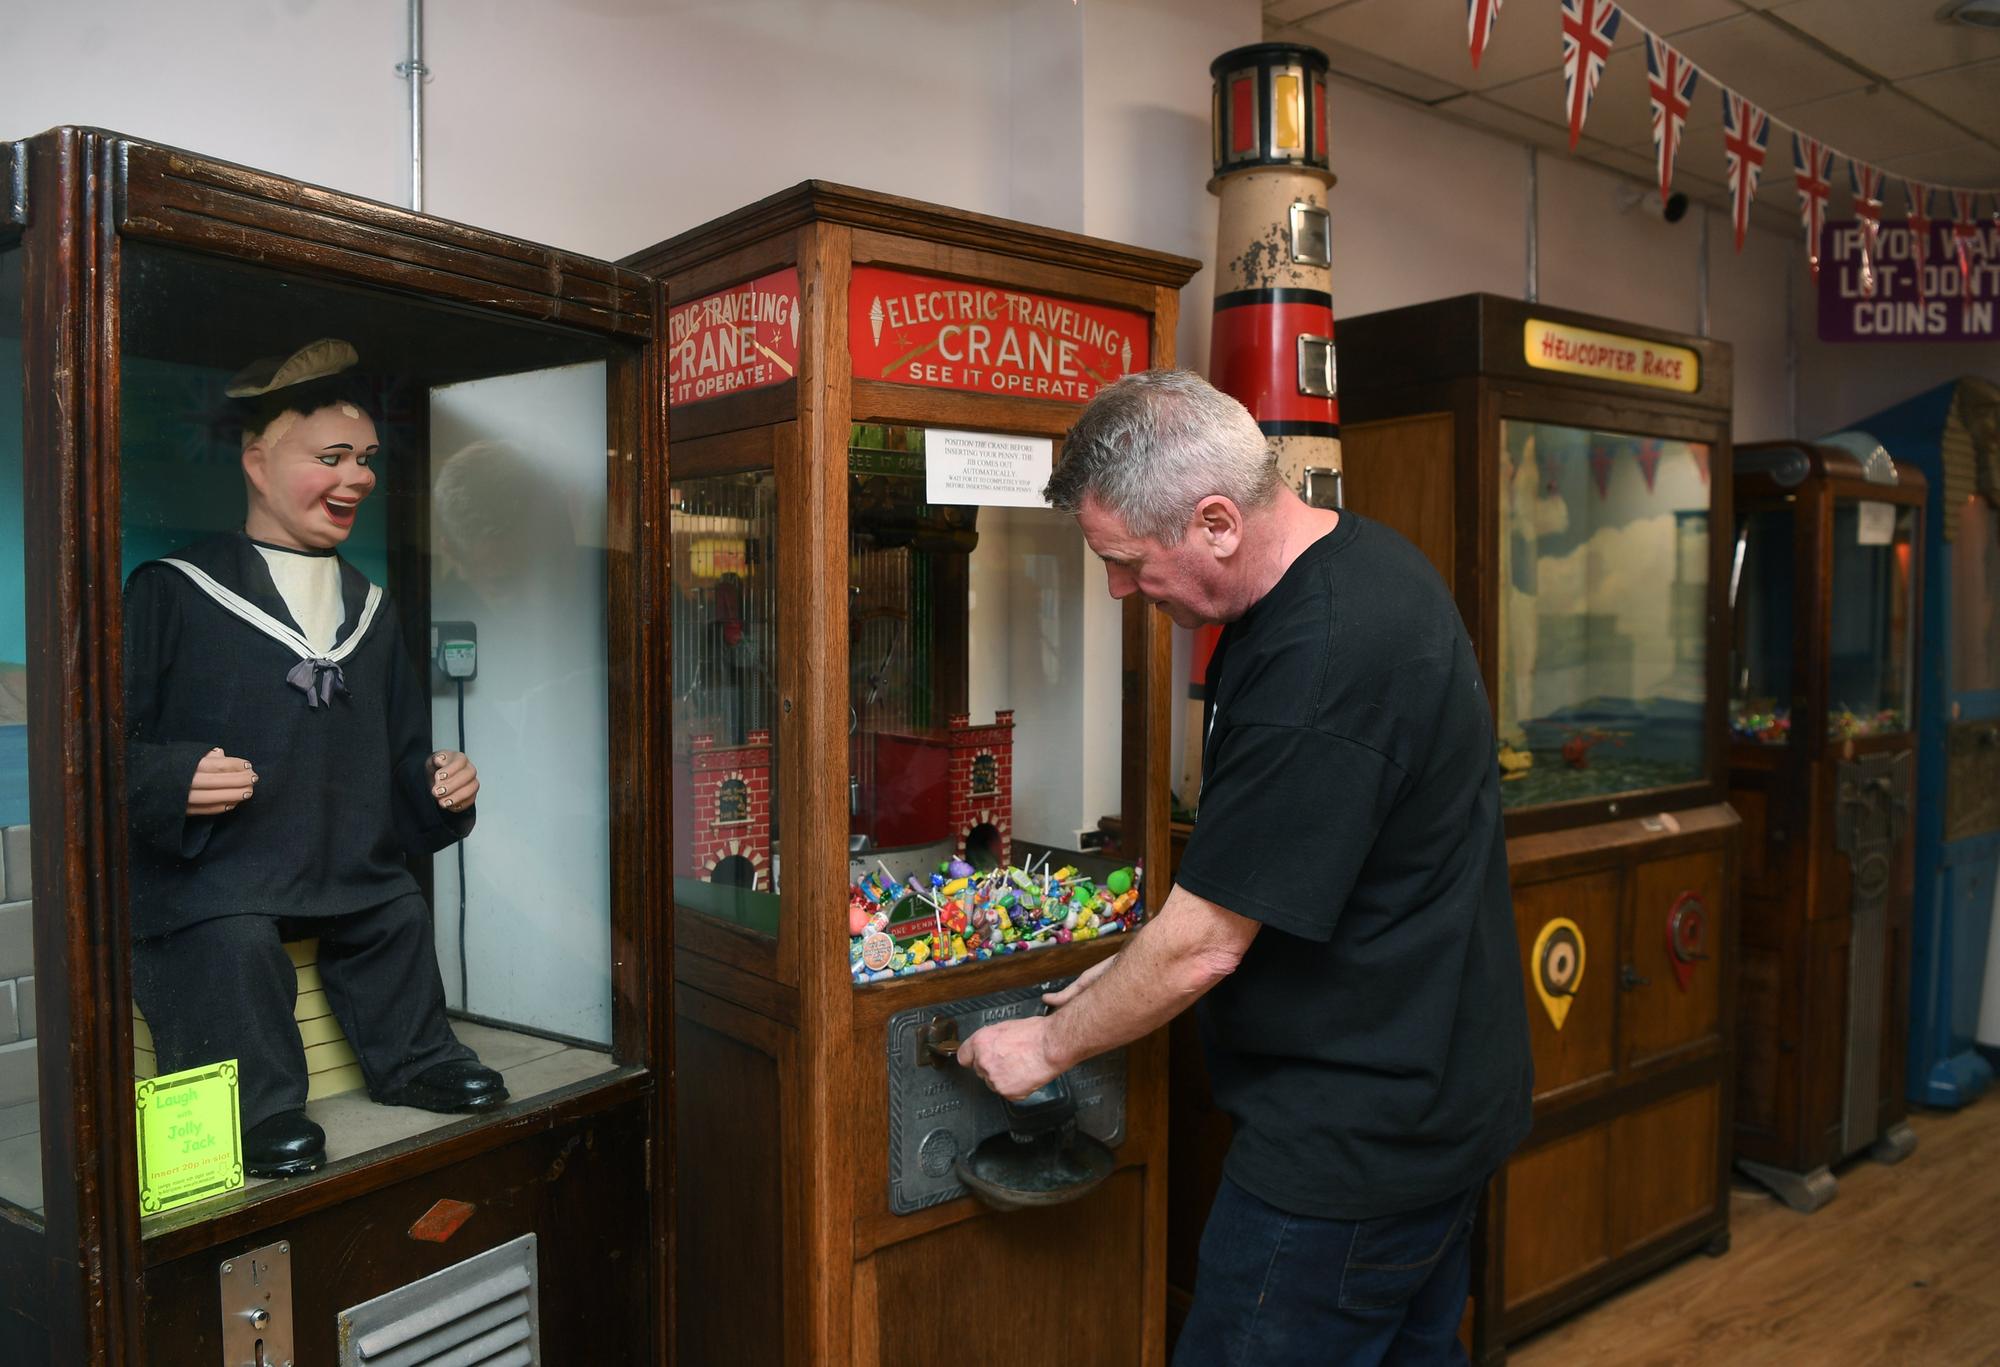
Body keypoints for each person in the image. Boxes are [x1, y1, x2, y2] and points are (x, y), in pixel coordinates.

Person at [956, 369, 1532, 1365]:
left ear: (1215, 521)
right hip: (1441, 1103)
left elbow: (1200, 950)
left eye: (1127, 561)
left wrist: (1042, 1051)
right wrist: (1122, 968)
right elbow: (1274, 871)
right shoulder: (1365, 564)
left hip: (1351, 1145)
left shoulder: (1318, 660)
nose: (1118, 590)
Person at [125, 339, 507, 1180]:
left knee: (398, 914)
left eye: (366, 459)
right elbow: (104, 753)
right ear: (258, 462)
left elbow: (401, 754)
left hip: (345, 862)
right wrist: (171, 780)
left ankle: (418, 1058)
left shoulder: (372, 611)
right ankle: (255, 1109)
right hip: (225, 872)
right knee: (230, 944)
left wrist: (439, 786)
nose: (357, 478)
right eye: (330, 457)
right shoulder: (174, 591)